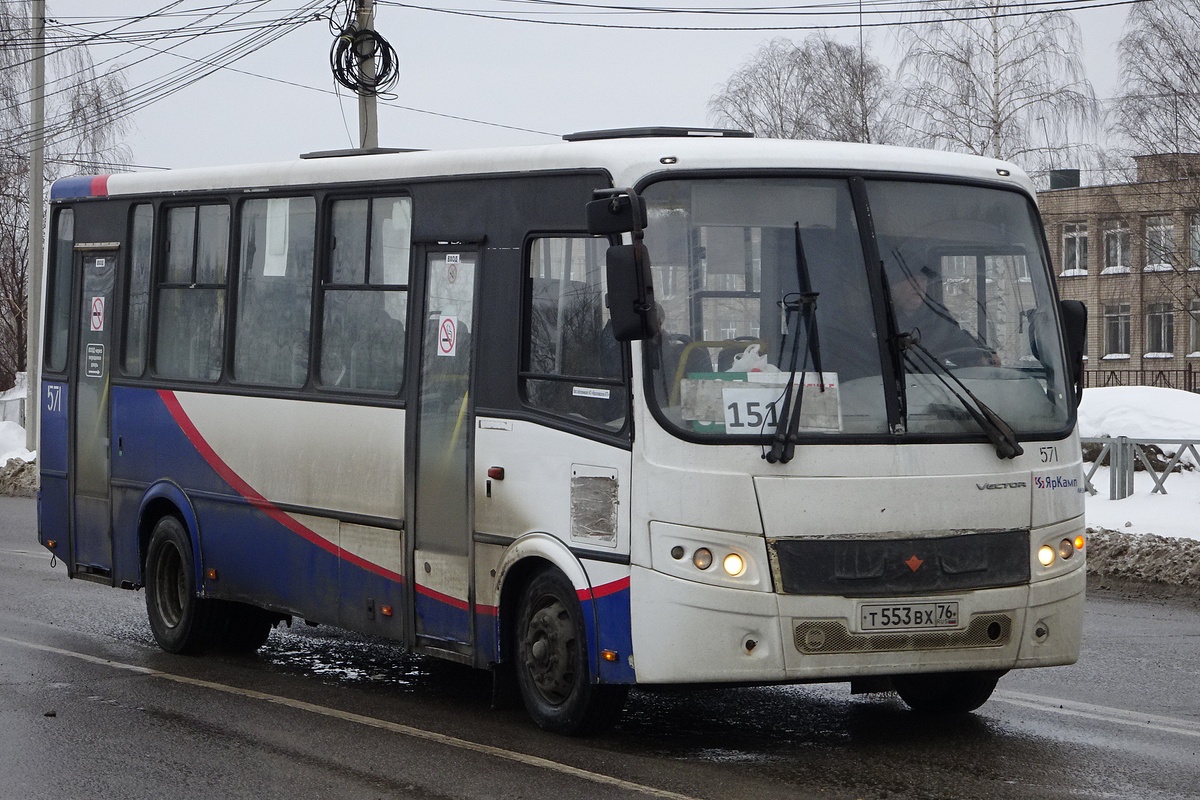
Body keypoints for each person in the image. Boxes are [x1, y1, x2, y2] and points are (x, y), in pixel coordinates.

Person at [891, 266, 998, 367]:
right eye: (912, 279)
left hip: (930, 382)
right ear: (894, 285)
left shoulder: (937, 316)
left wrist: (983, 356)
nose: (919, 285)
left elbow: (960, 343)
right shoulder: (878, 317)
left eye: (923, 279)